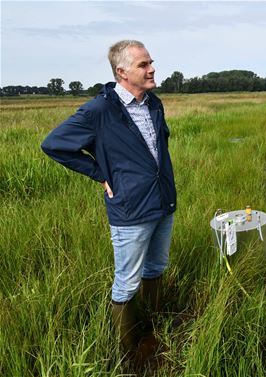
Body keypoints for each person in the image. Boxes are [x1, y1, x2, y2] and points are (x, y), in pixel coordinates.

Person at [41, 40, 176, 360]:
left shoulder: (154, 103)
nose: (152, 68)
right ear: (122, 71)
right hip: (130, 210)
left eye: (151, 62)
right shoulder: (98, 110)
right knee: (127, 283)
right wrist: (99, 173)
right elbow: (54, 144)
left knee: (156, 268)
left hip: (163, 202)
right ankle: (131, 353)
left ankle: (153, 330)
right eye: (143, 65)